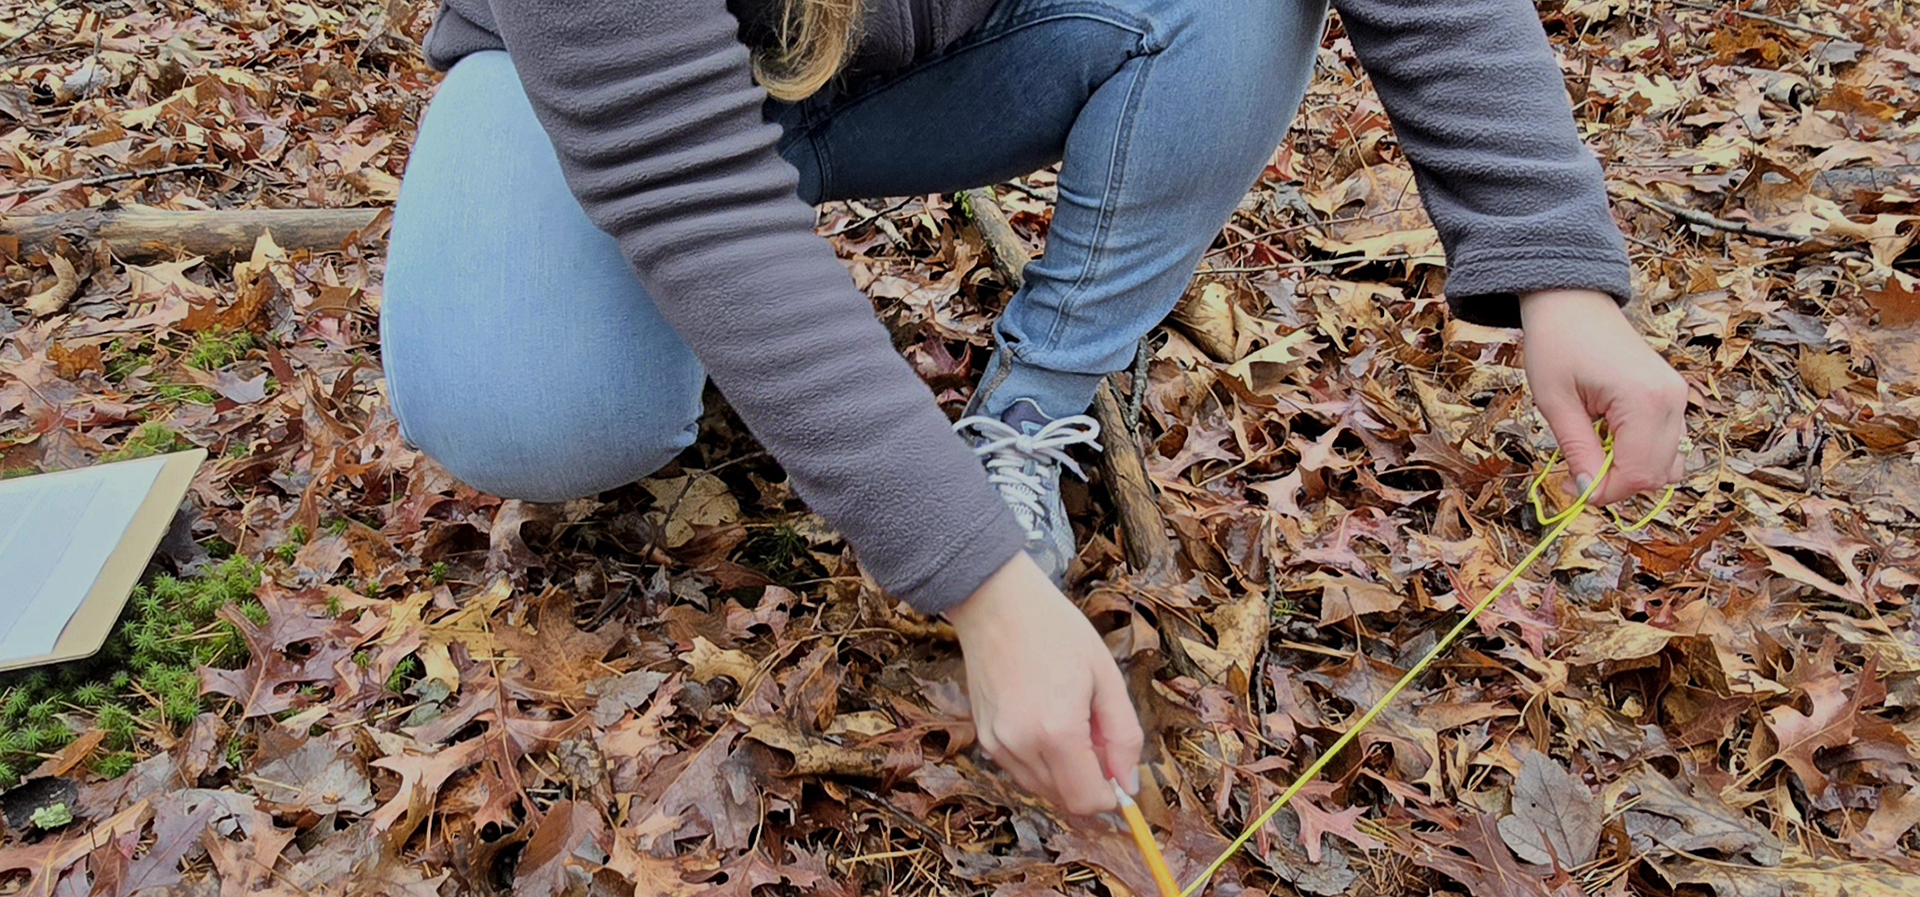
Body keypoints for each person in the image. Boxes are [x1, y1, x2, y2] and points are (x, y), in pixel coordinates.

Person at [381, 0, 1688, 818]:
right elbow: (689, 183)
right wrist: (981, 587)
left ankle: (1033, 408)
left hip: (947, 55)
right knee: (525, 409)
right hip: (599, 99)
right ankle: (661, 319)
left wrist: (1555, 268)